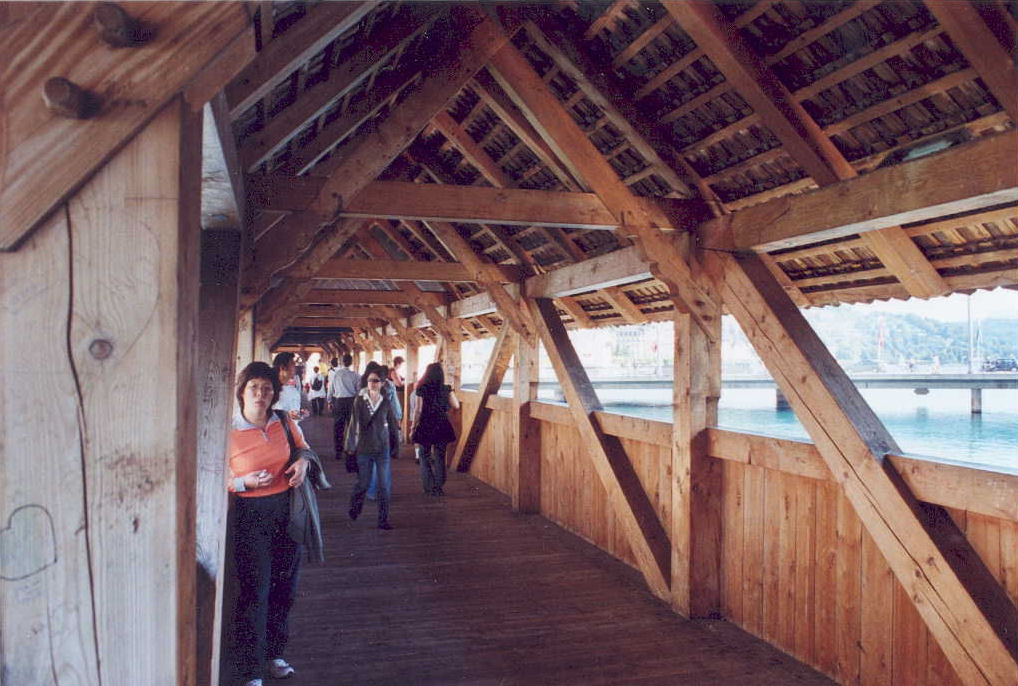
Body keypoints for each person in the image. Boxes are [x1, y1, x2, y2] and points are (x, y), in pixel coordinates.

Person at [227, 362, 310, 686]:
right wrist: (242, 482)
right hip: (250, 516)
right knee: (255, 592)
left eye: (266, 388)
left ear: (274, 393)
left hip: (287, 512)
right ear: (242, 392)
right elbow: (213, 474)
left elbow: (304, 449)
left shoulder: (285, 423)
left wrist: (303, 463)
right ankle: (250, 671)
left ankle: (275, 655)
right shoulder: (228, 430)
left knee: (284, 589)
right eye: (253, 388)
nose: (260, 394)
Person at [345, 367, 399, 530]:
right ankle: (355, 506)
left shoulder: (386, 401)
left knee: (383, 486)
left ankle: (383, 520)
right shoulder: (359, 400)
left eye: (376, 381)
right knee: (364, 483)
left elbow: (392, 426)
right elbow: (353, 424)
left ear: (382, 383)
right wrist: (350, 447)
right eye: (370, 380)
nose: (372, 383)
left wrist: (395, 446)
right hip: (364, 447)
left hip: (382, 448)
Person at [411, 362, 460, 496]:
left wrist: (413, 427)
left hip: (426, 424)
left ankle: (428, 486)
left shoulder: (421, 389)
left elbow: (418, 410)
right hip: (441, 424)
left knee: (424, 456)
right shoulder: (445, 389)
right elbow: (456, 405)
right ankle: (438, 487)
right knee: (439, 456)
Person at [330, 354, 360, 462]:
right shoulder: (355, 375)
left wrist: (329, 400)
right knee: (352, 427)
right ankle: (351, 450)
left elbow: (331, 389)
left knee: (338, 427)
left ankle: (338, 451)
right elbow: (358, 391)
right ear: (351, 362)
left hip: (339, 401)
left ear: (342, 362)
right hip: (351, 401)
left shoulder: (336, 375)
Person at [272, 353, 307, 422]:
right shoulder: (271, 390)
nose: (295, 367)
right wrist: (286, 415)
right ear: (282, 367)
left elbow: (294, 418)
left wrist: (299, 414)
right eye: (292, 364)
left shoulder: (293, 390)